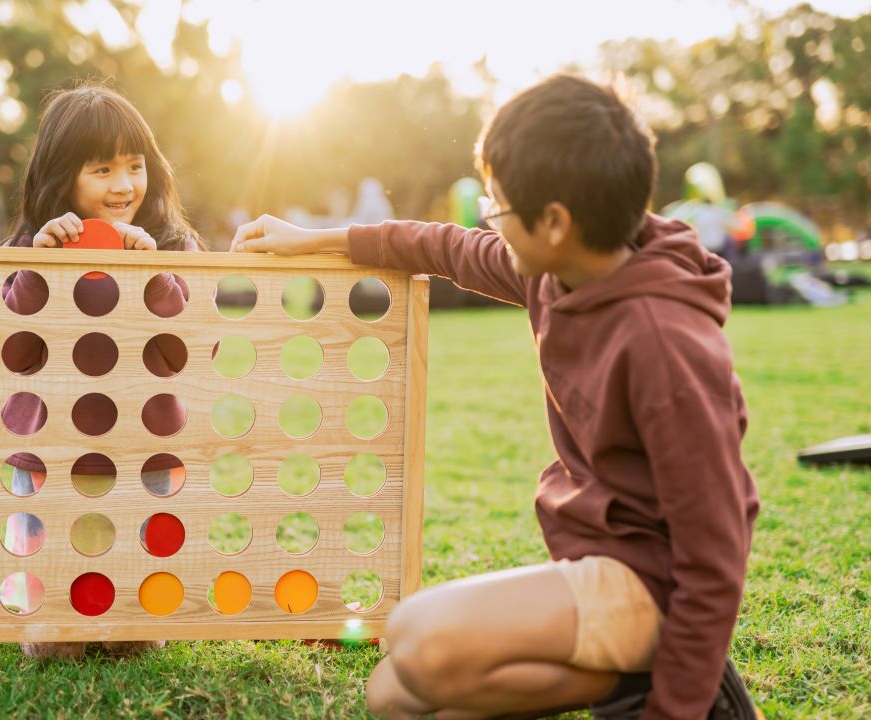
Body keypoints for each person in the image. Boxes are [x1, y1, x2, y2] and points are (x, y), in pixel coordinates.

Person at [231, 75, 761, 719]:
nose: (488, 220)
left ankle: (654, 686)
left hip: (656, 585)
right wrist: (314, 239)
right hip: (599, 559)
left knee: (417, 639)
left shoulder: (664, 343)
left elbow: (714, 554)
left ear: (557, 222)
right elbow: (443, 247)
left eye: (498, 207)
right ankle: (622, 677)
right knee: (394, 697)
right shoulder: (557, 270)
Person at [0, 83, 200, 659]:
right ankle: (51, 621)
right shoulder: (26, 248)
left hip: (146, 457)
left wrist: (152, 276)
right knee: (52, 639)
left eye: (135, 166)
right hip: (52, 456)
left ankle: (129, 620)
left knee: (132, 636)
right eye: (102, 168)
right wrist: (38, 270)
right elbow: (11, 355)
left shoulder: (172, 246)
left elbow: (188, 356)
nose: (123, 185)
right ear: (64, 177)